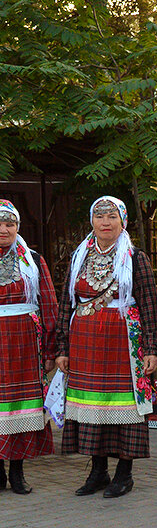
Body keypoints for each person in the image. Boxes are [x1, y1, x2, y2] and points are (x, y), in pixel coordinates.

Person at [56, 196, 157, 498]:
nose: (106, 222)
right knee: (92, 407)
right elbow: (67, 303)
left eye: (112, 216)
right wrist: (62, 347)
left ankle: (124, 474)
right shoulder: (79, 257)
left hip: (123, 344)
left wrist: (151, 348)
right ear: (92, 220)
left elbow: (149, 305)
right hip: (86, 343)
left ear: (122, 221)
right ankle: (98, 470)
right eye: (100, 216)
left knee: (124, 407)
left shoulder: (135, 257)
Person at [0, 199, 57, 494]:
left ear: (18, 227)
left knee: (21, 407)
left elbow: (48, 304)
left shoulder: (32, 260)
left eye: (10, 223)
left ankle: (18, 472)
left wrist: (50, 350)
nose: (3, 229)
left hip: (24, 342)